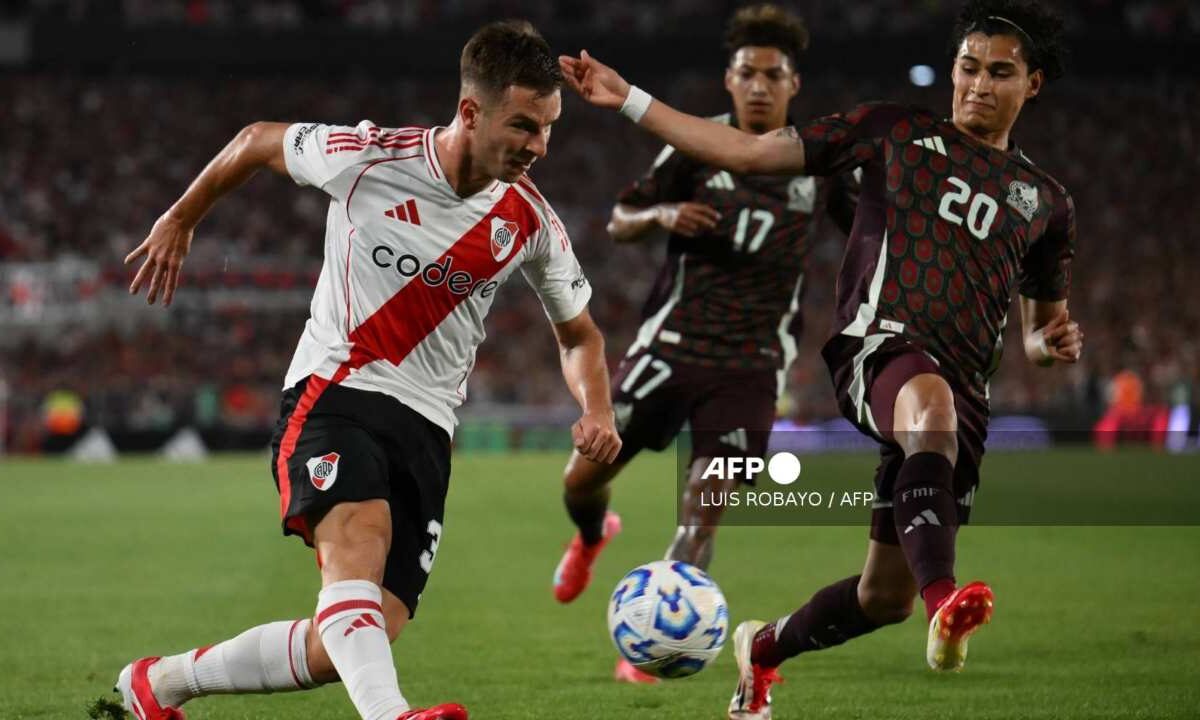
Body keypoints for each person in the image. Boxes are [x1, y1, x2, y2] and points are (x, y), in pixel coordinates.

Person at [558, 0, 1081, 716]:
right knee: (926, 418)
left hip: (937, 396)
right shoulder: (891, 131)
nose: (978, 85)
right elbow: (744, 152)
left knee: (879, 599)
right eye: (967, 67)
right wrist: (630, 100)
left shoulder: (1047, 203)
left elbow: (1039, 330)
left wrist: (1047, 344)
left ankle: (763, 652)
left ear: (1034, 84)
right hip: (877, 348)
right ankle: (948, 600)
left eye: (1000, 73)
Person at [114, 20, 620, 720]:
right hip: (335, 395)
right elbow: (260, 139)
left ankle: (160, 684)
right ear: (470, 112)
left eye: (548, 129)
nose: (538, 146)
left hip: (429, 430)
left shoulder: (530, 222)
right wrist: (181, 216)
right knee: (358, 537)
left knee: (354, 638)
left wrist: (596, 408)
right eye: (524, 126)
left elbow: (580, 337)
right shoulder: (367, 157)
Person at [549, 3, 856, 685]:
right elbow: (620, 218)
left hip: (749, 367)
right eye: (747, 73)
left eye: (772, 75)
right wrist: (661, 213)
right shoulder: (694, 145)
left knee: (703, 507)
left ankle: (658, 650)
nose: (758, 86)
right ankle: (594, 534)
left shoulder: (818, 165)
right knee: (582, 476)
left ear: (793, 86)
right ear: (728, 78)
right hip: (673, 348)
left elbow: (868, 232)